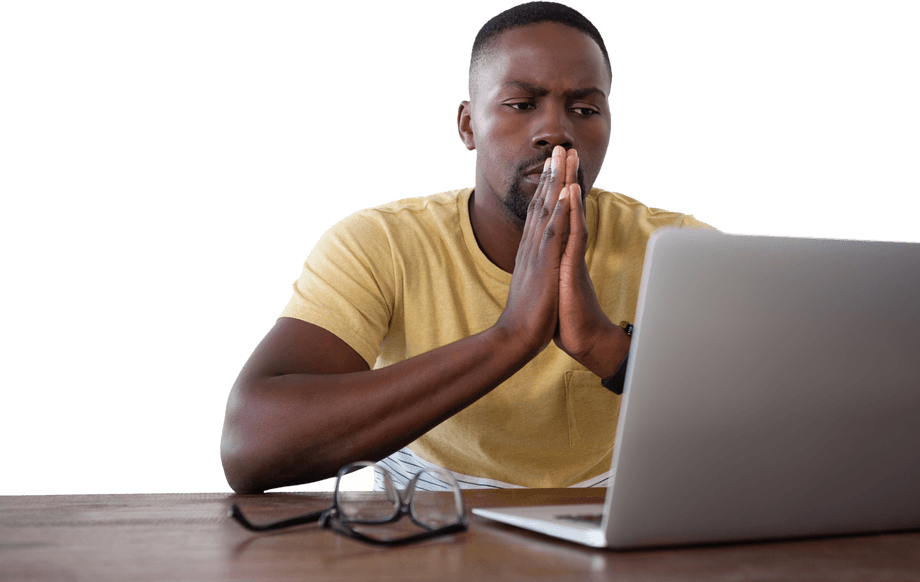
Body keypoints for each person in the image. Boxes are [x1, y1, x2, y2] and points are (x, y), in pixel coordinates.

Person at [220, 1, 712, 494]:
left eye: (584, 110)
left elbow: (765, 418)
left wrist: (603, 345)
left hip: (614, 494)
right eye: (522, 104)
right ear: (468, 125)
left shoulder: (679, 247)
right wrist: (512, 337)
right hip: (426, 492)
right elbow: (251, 446)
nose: (557, 132)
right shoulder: (380, 242)